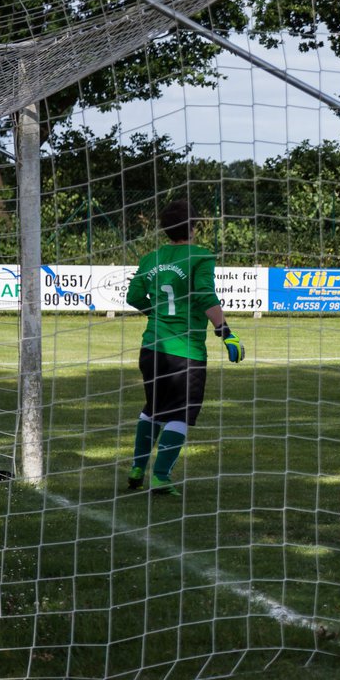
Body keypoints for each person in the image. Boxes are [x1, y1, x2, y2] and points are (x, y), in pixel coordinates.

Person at [125, 199, 244, 496]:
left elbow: (134, 296)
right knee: (180, 414)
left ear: (166, 229)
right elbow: (205, 295)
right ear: (193, 227)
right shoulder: (200, 256)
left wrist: (155, 314)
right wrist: (225, 332)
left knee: (153, 409)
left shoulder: (150, 259)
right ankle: (161, 477)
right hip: (185, 352)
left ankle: (137, 468)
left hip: (151, 347)